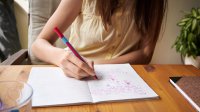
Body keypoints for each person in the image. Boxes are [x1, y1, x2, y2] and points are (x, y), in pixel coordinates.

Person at [31, 0, 167, 79]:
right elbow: (38, 45)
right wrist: (62, 57)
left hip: (124, 79)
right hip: (76, 77)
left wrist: (98, 66)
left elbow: (145, 53)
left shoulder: (152, 3)